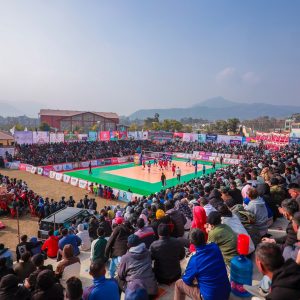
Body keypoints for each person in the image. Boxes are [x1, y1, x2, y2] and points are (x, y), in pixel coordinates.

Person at [174, 228, 231, 300]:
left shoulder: (195, 260)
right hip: (226, 292)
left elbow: (186, 281)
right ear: (204, 237)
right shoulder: (215, 247)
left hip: (211, 297)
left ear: (191, 242)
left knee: (178, 284)